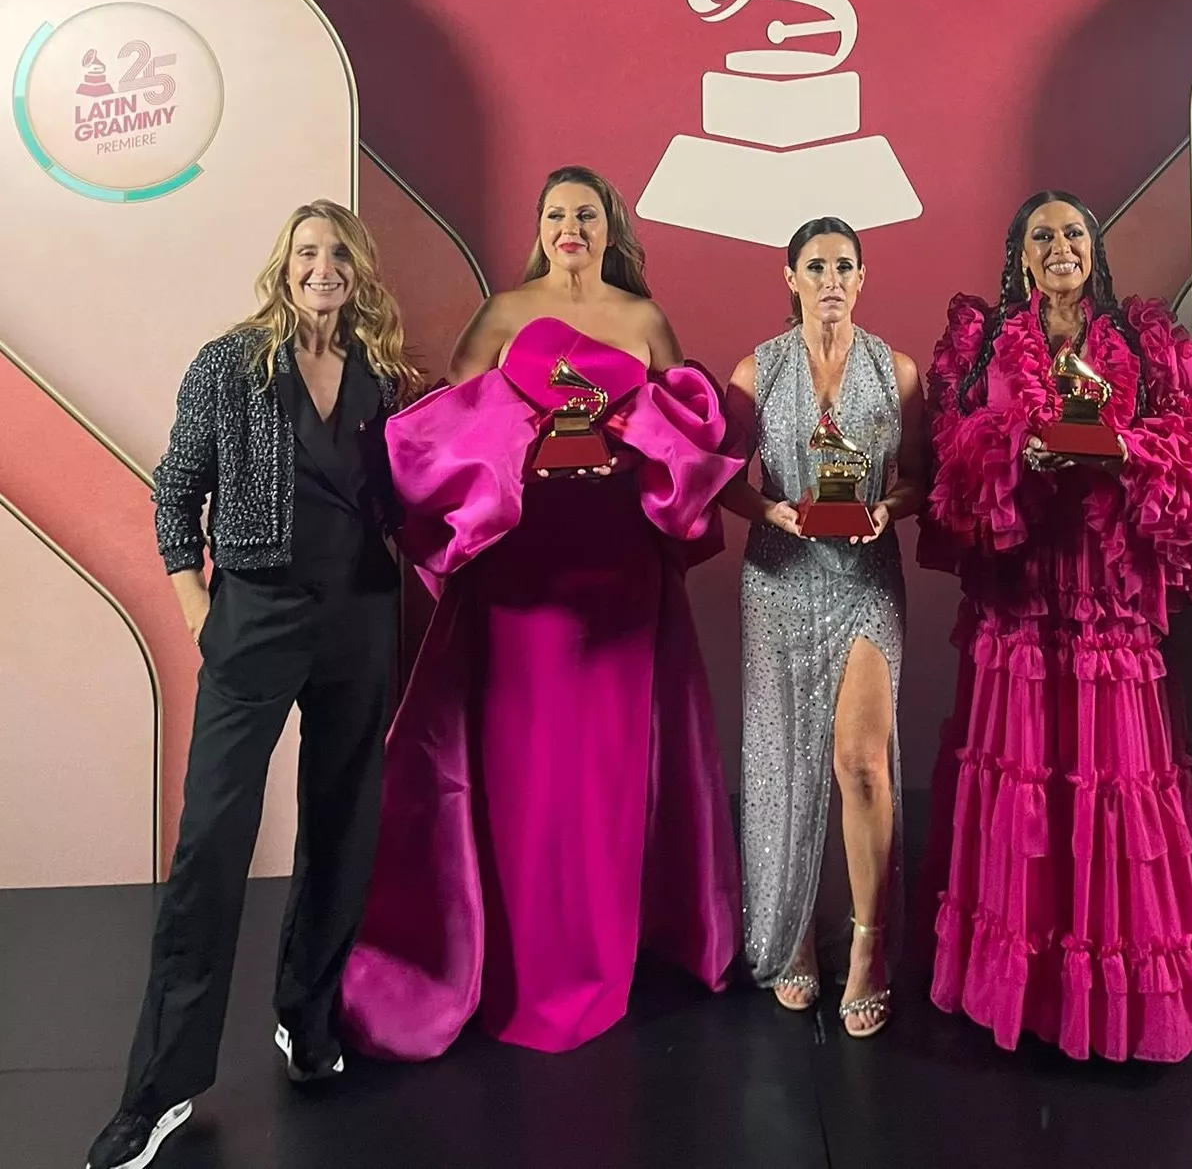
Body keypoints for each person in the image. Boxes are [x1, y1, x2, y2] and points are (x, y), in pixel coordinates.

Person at [338, 166, 742, 1057]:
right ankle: (516, 968)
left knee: (605, 775)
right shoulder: (503, 312)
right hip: (525, 577)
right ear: (540, 226)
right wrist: (524, 450)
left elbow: (690, 430)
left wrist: (629, 444)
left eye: (585, 214)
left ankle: (608, 957)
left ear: (610, 229)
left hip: (618, 575)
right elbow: (449, 425)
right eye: (556, 212)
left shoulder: (643, 318)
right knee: (525, 772)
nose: (570, 227)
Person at [88, 201, 421, 1169]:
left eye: (338, 255)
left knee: (342, 822)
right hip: (257, 613)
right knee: (212, 844)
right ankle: (158, 1090)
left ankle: (307, 1019)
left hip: (361, 615)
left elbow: (413, 493)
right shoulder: (231, 363)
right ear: (284, 265)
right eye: (307, 252)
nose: (323, 268)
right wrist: (199, 608)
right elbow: (174, 487)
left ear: (358, 271)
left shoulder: (385, 377)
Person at [918, 190, 1192, 1062]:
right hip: (1021, 592)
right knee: (1024, 775)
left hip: (1108, 595)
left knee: (1115, 777)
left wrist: (1121, 450)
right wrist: (1016, 447)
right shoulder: (980, 341)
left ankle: (1123, 1010)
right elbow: (948, 459)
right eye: (1040, 235)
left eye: (1072, 233)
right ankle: (1021, 994)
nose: (1058, 245)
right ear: (1018, 255)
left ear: (1092, 249)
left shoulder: (1141, 339)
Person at [722, 217, 925, 1037]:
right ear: (790, 276)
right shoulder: (755, 371)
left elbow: (918, 479)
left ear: (863, 277)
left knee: (860, 762)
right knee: (784, 762)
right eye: (817, 265)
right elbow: (724, 478)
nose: (832, 277)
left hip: (866, 578)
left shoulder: (898, 369)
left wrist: (884, 508)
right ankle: (795, 930)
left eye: (845, 264)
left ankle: (869, 945)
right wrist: (771, 507)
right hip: (778, 575)